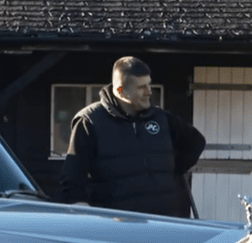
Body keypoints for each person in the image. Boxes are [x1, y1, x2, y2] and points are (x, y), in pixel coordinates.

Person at [60, 56, 206, 217]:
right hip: (119, 225)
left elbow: (196, 142)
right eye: (141, 87)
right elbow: (72, 179)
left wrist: (171, 170)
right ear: (120, 91)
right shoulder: (90, 121)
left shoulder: (160, 118)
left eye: (149, 84)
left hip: (168, 220)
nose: (149, 92)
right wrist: (82, 210)